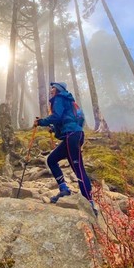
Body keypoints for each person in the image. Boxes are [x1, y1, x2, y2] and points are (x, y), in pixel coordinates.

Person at [34, 82, 97, 215]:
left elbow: (56, 116)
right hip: (75, 135)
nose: (51, 91)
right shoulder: (69, 101)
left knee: (78, 169)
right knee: (51, 160)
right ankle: (64, 188)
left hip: (71, 137)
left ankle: (89, 202)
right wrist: (54, 129)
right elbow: (66, 119)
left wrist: (41, 122)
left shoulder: (59, 98)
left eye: (52, 88)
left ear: (58, 89)